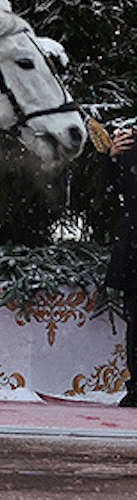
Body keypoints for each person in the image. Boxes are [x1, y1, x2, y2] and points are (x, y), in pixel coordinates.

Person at [111, 123, 137, 408]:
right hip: (134, 246)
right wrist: (113, 158)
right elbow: (113, 189)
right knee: (136, 323)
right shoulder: (128, 142)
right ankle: (136, 387)